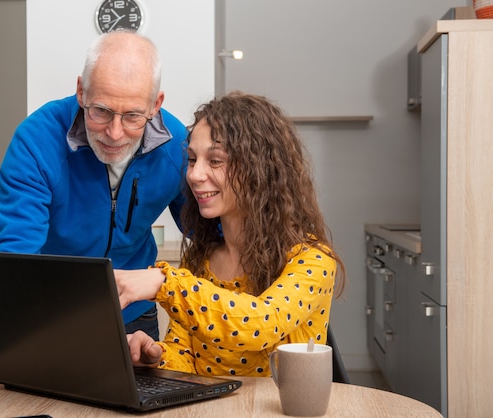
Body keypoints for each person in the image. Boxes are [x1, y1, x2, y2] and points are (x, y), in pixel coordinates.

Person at [0, 31, 187, 387]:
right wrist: (1, 357)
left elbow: (211, 231)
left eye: (133, 115)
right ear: (81, 91)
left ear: (156, 105)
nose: (115, 133)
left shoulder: (177, 145)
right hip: (53, 316)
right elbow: (16, 262)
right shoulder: (36, 139)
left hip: (134, 317)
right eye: (101, 111)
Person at [115, 91, 346, 376]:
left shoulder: (313, 260)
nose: (195, 175)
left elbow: (261, 324)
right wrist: (156, 357)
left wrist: (165, 283)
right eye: (191, 159)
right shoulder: (201, 258)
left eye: (215, 161)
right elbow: (185, 354)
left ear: (261, 169)